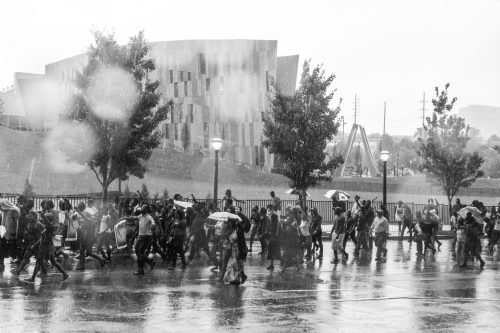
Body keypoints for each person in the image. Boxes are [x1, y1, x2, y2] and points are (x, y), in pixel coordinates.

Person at [75, 202, 106, 271]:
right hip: (85, 234)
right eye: (79, 205)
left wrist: (80, 213)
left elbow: (89, 220)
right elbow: (83, 223)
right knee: (88, 252)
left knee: (83, 250)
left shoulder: (86, 213)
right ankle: (101, 260)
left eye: (80, 205)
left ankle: (82, 266)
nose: (79, 206)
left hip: (89, 235)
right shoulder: (83, 213)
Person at [134, 205, 156, 275]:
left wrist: (152, 225)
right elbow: (134, 218)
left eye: (143, 208)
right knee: (137, 252)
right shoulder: (140, 216)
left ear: (146, 210)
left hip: (146, 237)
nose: (141, 208)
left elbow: (153, 222)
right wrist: (125, 218)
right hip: (140, 236)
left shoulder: (149, 217)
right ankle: (149, 261)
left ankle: (140, 270)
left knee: (140, 253)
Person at [265, 204, 280, 270]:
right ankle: (272, 264)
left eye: (269, 210)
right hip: (271, 235)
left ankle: (283, 262)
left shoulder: (274, 216)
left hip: (273, 236)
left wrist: (275, 234)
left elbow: (276, 226)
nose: (268, 211)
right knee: (272, 250)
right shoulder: (271, 216)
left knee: (273, 250)